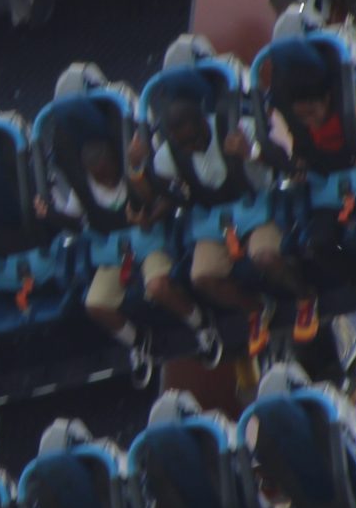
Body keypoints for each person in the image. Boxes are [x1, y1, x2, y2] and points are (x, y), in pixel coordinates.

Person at [148, 78, 295, 355]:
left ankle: (303, 294)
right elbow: (162, 189)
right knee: (201, 276)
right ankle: (256, 307)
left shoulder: (236, 128)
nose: (190, 147)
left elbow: (285, 158)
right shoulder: (171, 154)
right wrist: (139, 172)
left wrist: (252, 151)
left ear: (204, 122)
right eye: (182, 144)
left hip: (255, 209)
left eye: (194, 139)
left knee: (264, 256)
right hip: (216, 220)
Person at [271, 54, 356, 340]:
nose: (309, 120)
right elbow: (305, 159)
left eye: (313, 112)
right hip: (333, 193)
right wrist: (298, 169)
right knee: (316, 242)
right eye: (302, 116)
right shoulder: (306, 132)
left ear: (327, 100)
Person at [37, 129, 193, 378]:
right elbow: (76, 222)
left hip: (147, 242)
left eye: (108, 172)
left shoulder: (130, 174)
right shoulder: (85, 189)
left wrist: (147, 216)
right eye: (99, 177)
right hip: (115, 253)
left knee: (157, 287)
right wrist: (50, 214)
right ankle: (140, 341)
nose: (107, 180)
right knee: (95, 304)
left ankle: (198, 323)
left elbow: (162, 196)